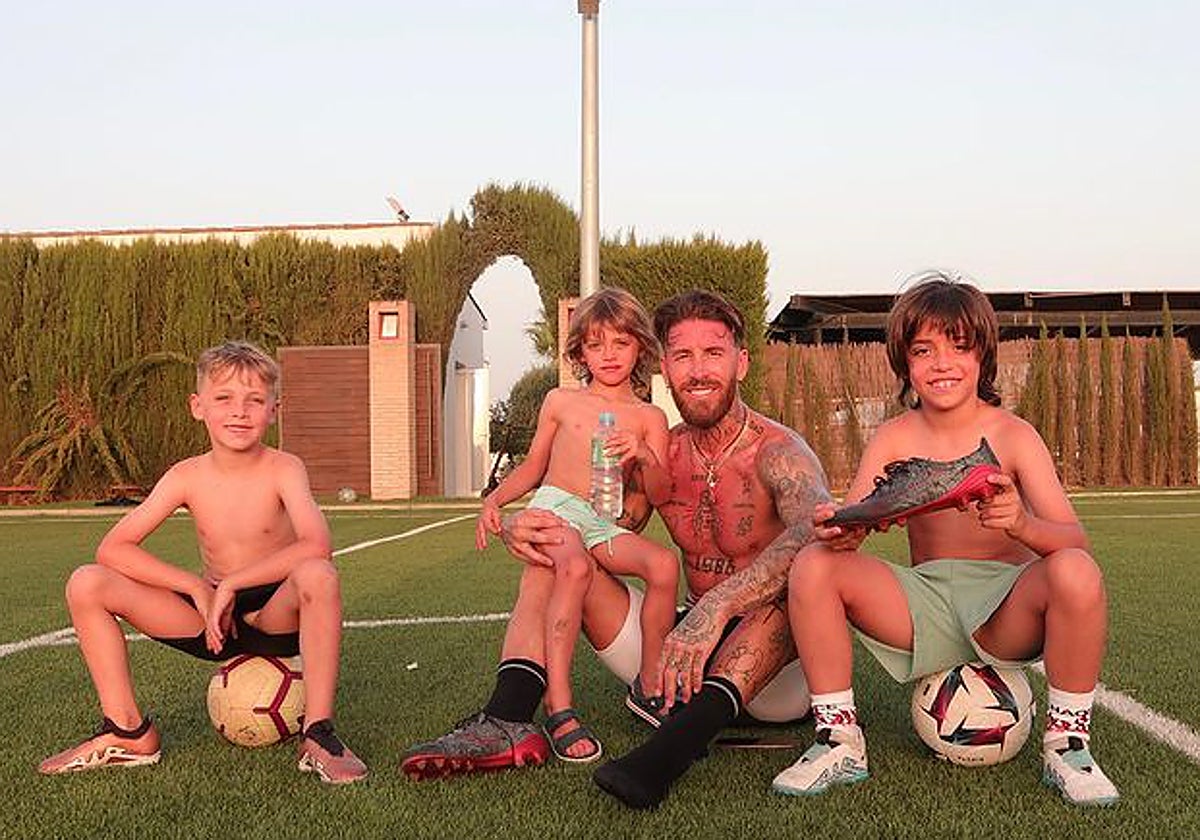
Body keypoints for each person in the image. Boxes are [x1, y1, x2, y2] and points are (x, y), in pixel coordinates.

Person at [403, 289, 830, 811]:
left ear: (740, 363)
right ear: (666, 368)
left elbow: (813, 531)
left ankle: (670, 740)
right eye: (683, 355)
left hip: (774, 676)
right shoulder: (660, 445)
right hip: (679, 658)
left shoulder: (778, 449)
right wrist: (531, 524)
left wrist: (719, 606)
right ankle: (508, 717)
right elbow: (621, 523)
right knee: (557, 554)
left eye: (713, 353)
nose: (698, 370)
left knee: (796, 579)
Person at [773, 271, 1119, 807]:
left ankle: (1068, 745)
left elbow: (1076, 541)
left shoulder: (1014, 435)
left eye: (959, 347)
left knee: (1076, 570)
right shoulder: (893, 436)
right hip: (923, 609)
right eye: (923, 350)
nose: (941, 363)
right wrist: (837, 529)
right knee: (814, 562)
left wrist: (1021, 523)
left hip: (1004, 612)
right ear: (904, 363)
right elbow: (849, 532)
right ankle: (838, 739)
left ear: (983, 356)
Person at [39, 340, 367, 784]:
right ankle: (127, 731)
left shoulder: (284, 468)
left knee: (319, 574)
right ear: (198, 406)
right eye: (224, 398)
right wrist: (198, 588)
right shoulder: (186, 475)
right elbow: (114, 548)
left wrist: (233, 584)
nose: (239, 412)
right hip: (211, 618)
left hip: (273, 613)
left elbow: (316, 544)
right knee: (87, 582)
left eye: (255, 401)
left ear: (274, 410)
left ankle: (318, 733)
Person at [474, 287, 678, 763]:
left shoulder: (649, 416)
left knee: (664, 565)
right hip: (559, 509)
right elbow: (533, 466)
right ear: (580, 352)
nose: (609, 354)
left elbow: (660, 492)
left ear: (641, 347)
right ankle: (559, 705)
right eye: (595, 344)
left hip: (603, 521)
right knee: (574, 569)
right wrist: (496, 499)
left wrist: (644, 455)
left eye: (621, 343)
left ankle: (649, 685)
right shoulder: (561, 401)